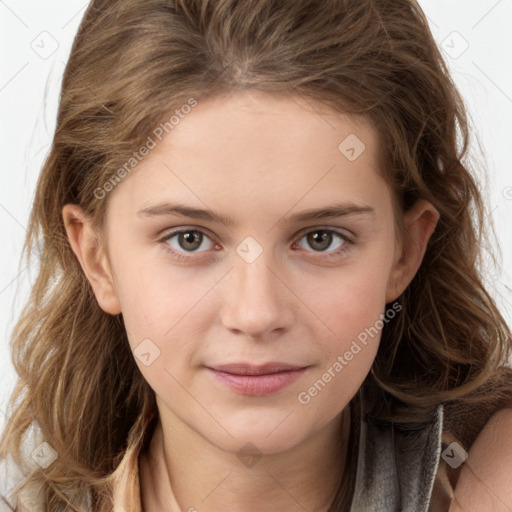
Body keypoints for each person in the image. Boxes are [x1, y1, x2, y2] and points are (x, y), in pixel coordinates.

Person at [1, 0, 511, 511]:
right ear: (98, 258)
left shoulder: (486, 475)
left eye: (321, 239)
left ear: (405, 252)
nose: (256, 314)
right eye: (189, 239)